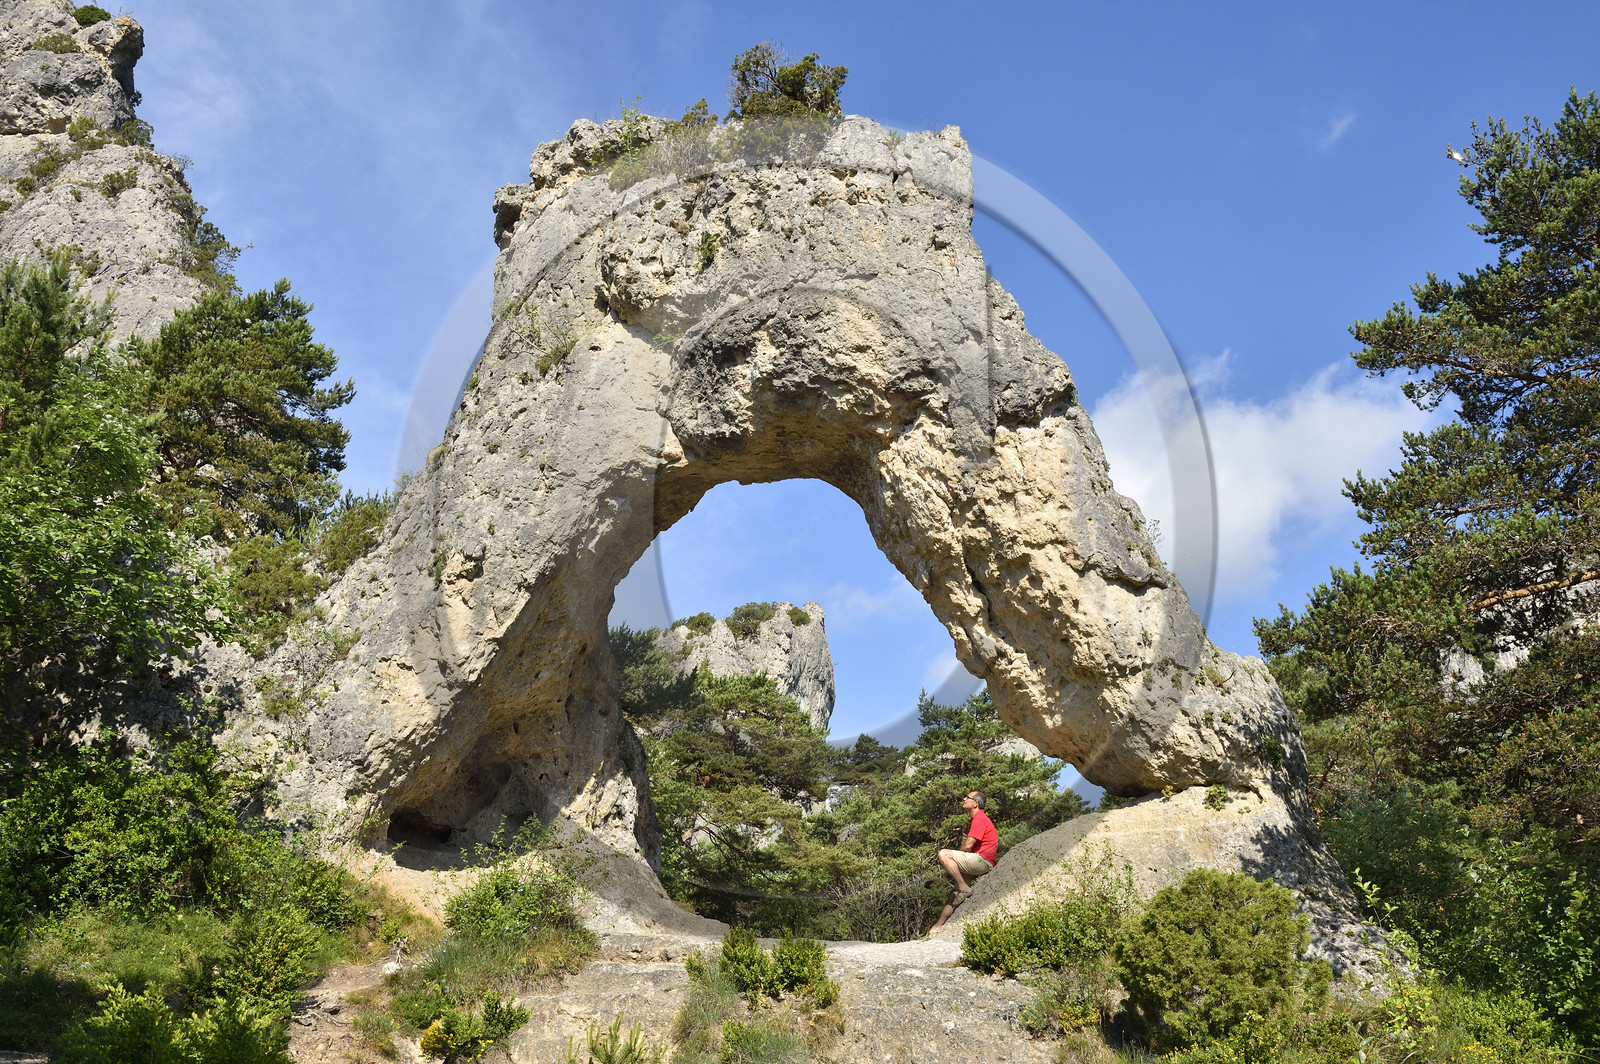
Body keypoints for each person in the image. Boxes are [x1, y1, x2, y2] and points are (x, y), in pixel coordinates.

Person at [928, 790, 998, 932]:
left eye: (968, 797)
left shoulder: (979, 818)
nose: (964, 799)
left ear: (975, 803)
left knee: (944, 854)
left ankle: (964, 888)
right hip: (979, 861)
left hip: (981, 861)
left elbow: (968, 845)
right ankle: (935, 929)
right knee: (954, 894)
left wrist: (955, 858)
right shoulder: (978, 818)